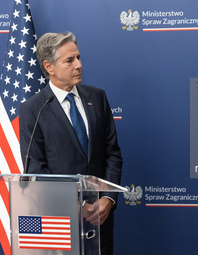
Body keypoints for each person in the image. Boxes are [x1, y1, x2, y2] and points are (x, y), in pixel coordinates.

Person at [19, 32, 123, 255]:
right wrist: (76, 206)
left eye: (78, 57)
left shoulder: (97, 97)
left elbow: (112, 153)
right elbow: (36, 168)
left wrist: (107, 199)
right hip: (58, 222)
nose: (79, 65)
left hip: (99, 219)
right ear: (49, 67)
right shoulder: (33, 109)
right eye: (69, 60)